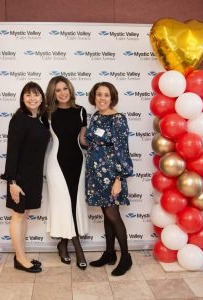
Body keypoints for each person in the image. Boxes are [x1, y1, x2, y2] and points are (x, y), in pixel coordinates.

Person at [85, 82, 133, 276]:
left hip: (112, 175)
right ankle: (109, 253)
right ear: (94, 97)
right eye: (98, 94)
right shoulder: (96, 117)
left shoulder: (118, 119)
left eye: (106, 95)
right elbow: (91, 141)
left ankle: (126, 257)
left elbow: (122, 150)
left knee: (113, 215)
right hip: (96, 174)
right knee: (107, 215)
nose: (102, 98)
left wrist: (119, 179)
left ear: (112, 97)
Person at [1, 82, 50, 273]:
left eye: (36, 95)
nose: (32, 98)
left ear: (42, 98)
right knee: (18, 216)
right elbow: (12, 151)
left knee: (25, 216)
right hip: (19, 177)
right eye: (28, 95)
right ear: (22, 98)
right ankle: (20, 259)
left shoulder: (41, 119)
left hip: (34, 176)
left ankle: (21, 255)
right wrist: (12, 182)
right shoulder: (19, 119)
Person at [46, 76, 89, 270]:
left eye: (65, 88)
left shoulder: (81, 111)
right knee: (63, 204)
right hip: (56, 164)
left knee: (74, 202)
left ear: (70, 90)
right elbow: (39, 140)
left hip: (78, 163)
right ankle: (78, 247)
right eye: (58, 90)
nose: (62, 93)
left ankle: (63, 244)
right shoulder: (47, 114)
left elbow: (83, 141)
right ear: (52, 94)